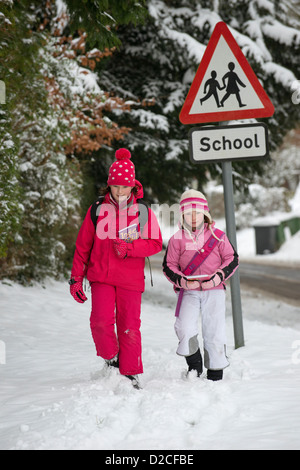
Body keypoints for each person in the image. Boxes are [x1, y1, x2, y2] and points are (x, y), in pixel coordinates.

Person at [69, 148, 162, 388]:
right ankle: (111, 358)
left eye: (125, 187)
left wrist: (130, 248)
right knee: (100, 322)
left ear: (133, 186)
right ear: (109, 186)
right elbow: (82, 247)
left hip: (130, 280)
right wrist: (76, 279)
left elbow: (155, 243)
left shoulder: (143, 212)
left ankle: (130, 372)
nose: (120, 192)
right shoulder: (97, 210)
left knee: (130, 326)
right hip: (101, 277)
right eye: (116, 186)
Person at [163, 189, 239, 381]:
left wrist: (218, 276)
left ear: (205, 213)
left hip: (214, 290)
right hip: (188, 292)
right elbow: (168, 265)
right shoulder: (176, 239)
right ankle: (194, 365)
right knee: (184, 328)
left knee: (214, 330)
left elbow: (232, 259)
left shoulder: (219, 236)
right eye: (188, 212)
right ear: (182, 215)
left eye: (197, 212)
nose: (194, 216)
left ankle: (215, 372)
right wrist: (181, 280)